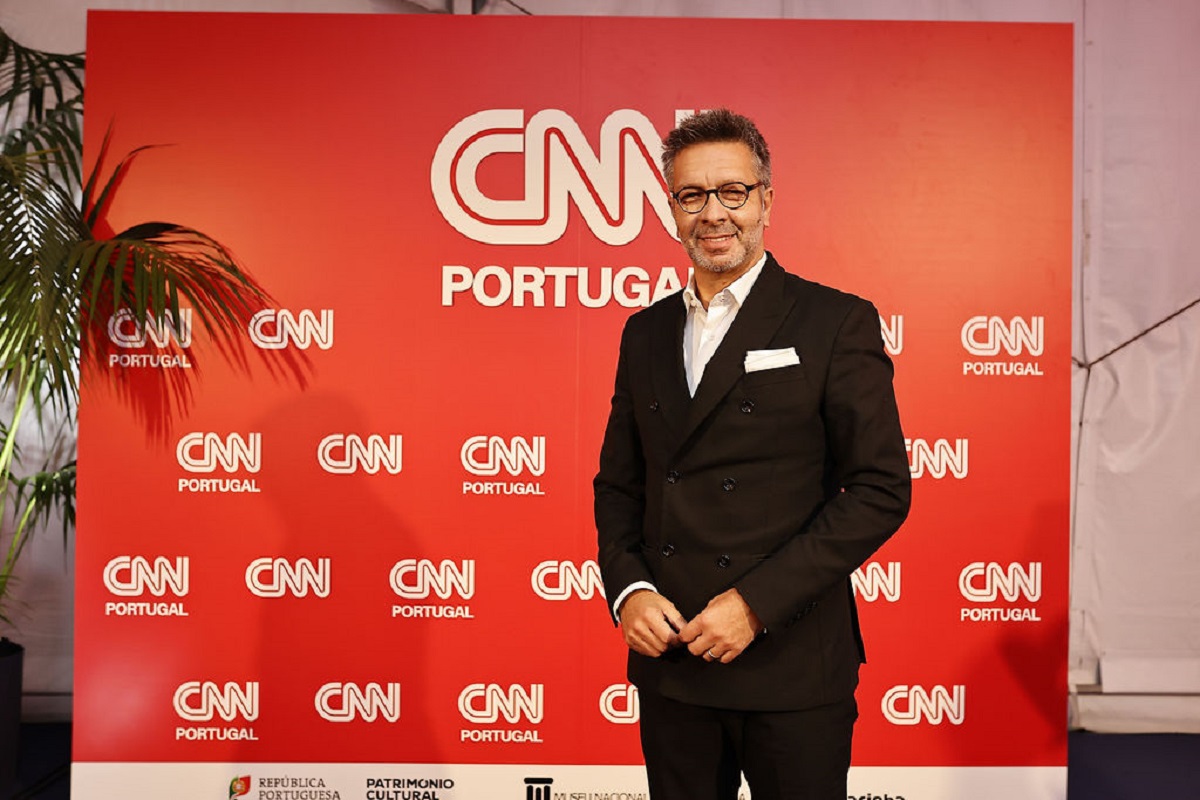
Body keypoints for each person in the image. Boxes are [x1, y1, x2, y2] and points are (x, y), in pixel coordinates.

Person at [593, 108, 912, 800]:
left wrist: (756, 604)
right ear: (671, 208)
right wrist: (629, 590)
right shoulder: (644, 333)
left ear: (765, 199)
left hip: (792, 664)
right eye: (692, 195)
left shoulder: (834, 321)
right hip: (675, 661)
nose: (714, 213)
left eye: (732, 192)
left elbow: (881, 488)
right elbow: (619, 485)